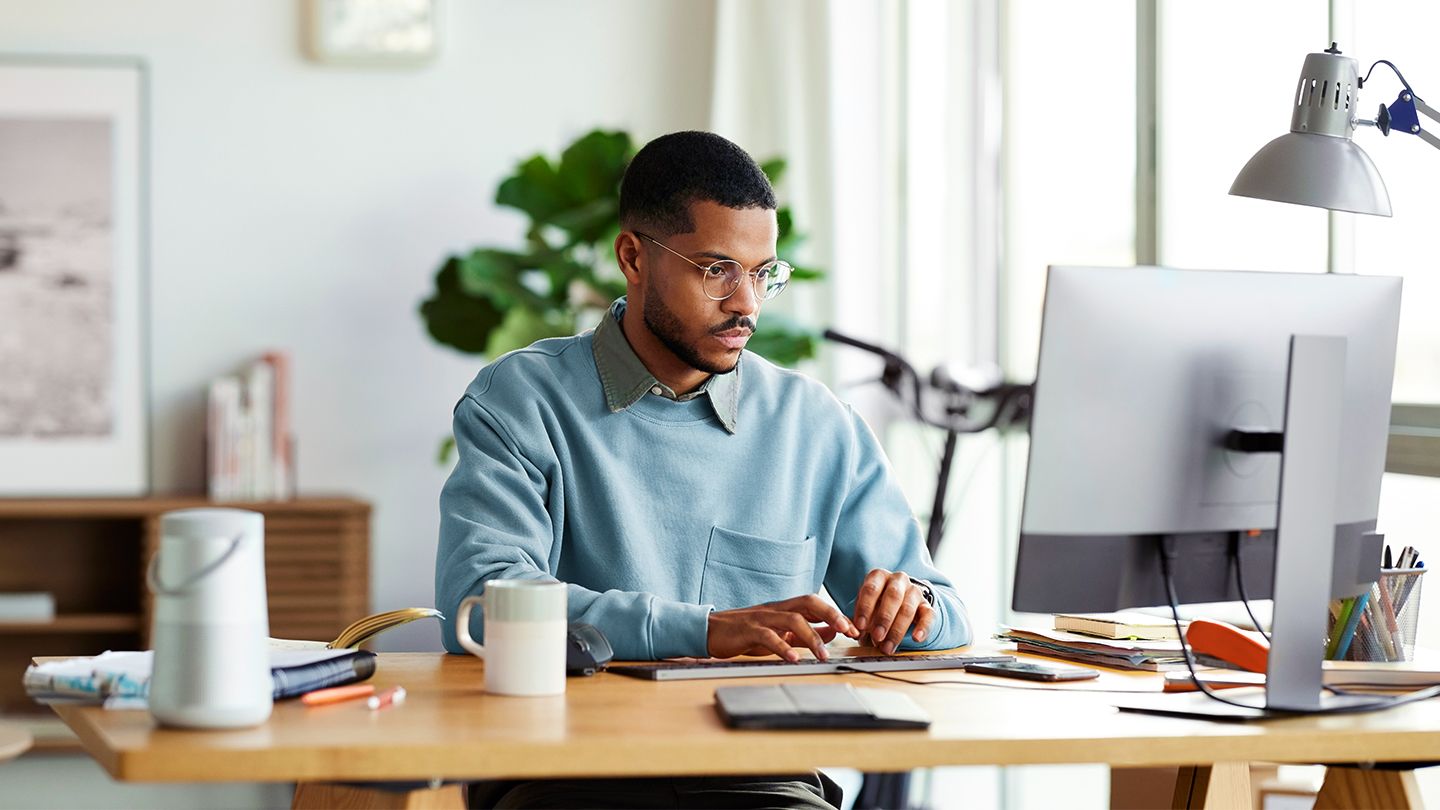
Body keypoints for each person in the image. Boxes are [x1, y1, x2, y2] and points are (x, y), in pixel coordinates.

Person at [436, 130, 971, 809]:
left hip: (762, 783)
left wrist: (911, 609)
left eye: (762, 273)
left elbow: (947, 610)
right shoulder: (520, 401)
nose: (746, 303)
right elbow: (481, 605)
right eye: (716, 269)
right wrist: (705, 630)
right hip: (564, 776)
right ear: (633, 256)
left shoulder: (814, 425)